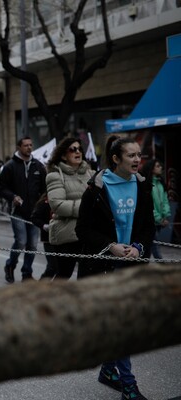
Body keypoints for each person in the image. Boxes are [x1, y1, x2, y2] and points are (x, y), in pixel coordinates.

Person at [76, 136, 154, 400]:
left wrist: (139, 248)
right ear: (115, 159)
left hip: (133, 264)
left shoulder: (142, 186)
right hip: (104, 267)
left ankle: (108, 370)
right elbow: (82, 230)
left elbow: (148, 227)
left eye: (138, 154)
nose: (137, 160)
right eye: (131, 155)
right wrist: (110, 246)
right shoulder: (96, 188)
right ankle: (129, 386)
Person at [0, 136, 46, 283]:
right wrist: (13, 197)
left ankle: (27, 273)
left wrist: (42, 203)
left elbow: (44, 189)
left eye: (31, 145)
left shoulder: (38, 166)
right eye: (26, 145)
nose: (29, 147)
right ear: (19, 147)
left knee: (32, 244)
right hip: (17, 212)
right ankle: (10, 265)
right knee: (21, 241)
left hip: (34, 213)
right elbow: (0, 188)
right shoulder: (10, 166)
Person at [45, 138, 94, 279]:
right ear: (63, 155)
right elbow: (57, 205)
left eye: (79, 149)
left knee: (88, 275)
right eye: (73, 149)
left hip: (88, 232)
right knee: (63, 275)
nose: (77, 152)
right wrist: (86, 208)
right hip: (66, 233)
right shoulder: (54, 175)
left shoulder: (90, 174)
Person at [140, 159, 170, 259]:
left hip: (160, 221)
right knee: (154, 244)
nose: (160, 167)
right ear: (151, 168)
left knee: (149, 245)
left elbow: (165, 200)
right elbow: (148, 205)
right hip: (151, 220)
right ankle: (161, 265)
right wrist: (158, 218)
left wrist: (165, 216)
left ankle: (143, 264)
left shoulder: (160, 183)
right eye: (157, 166)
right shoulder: (146, 184)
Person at [30, 193, 57, 280]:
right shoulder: (44, 202)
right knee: (52, 266)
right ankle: (42, 285)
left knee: (61, 267)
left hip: (62, 238)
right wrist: (43, 225)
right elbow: (34, 218)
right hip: (48, 239)